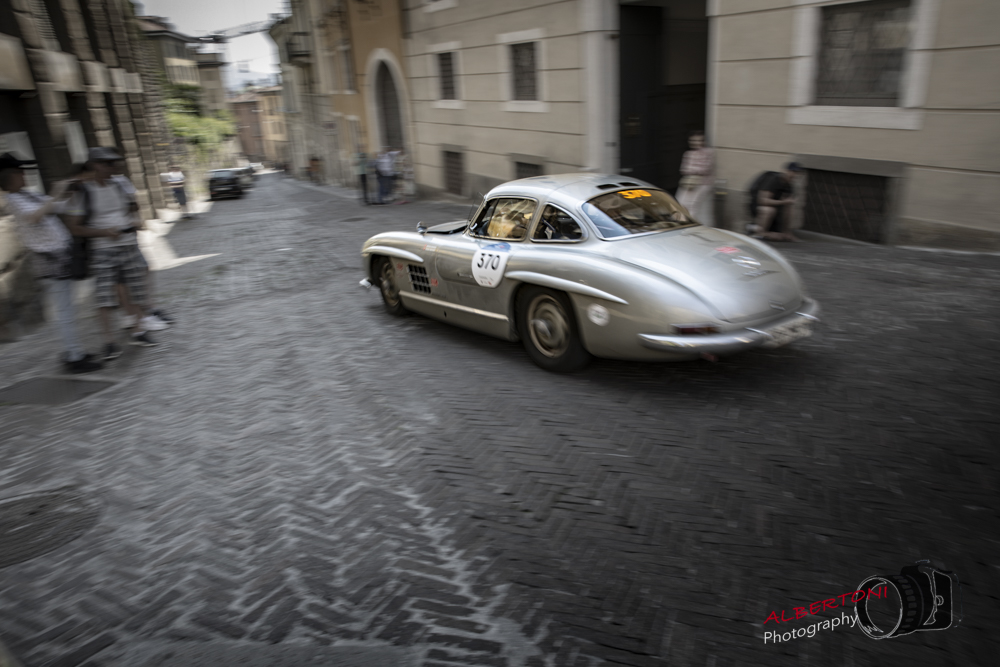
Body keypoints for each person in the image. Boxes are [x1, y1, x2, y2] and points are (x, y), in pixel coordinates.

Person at [1, 153, 103, 373]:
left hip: (60, 258)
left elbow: (58, 208)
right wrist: (56, 194)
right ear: (9, 176)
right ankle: (73, 357)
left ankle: (74, 351)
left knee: (68, 308)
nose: (24, 176)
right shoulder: (13, 200)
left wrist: (71, 194)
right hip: (51, 261)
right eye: (19, 172)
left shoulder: (27, 194)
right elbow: (35, 216)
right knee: (65, 310)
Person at [62, 147, 158, 360]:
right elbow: (74, 227)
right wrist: (103, 232)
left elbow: (130, 209)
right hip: (103, 249)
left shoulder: (119, 186)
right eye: (107, 163)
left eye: (114, 163)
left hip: (128, 244)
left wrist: (133, 221)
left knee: (137, 290)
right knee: (104, 297)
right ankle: (109, 342)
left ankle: (138, 331)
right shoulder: (82, 192)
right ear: (94, 165)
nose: (113, 167)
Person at [109, 154, 172, 331]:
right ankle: (134, 315)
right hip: (113, 238)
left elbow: (134, 204)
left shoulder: (120, 181)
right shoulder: (96, 186)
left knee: (143, 269)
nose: (116, 167)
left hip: (128, 233)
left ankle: (146, 308)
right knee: (123, 280)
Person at [748, 162, 803, 242]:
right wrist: (783, 202)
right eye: (793, 172)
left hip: (776, 210)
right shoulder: (773, 179)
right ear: (785, 171)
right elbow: (762, 200)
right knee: (769, 210)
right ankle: (759, 233)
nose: (794, 175)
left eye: (797, 173)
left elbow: (787, 203)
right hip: (758, 207)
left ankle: (786, 232)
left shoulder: (788, 185)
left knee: (790, 208)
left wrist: (786, 202)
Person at [676, 130, 715, 226]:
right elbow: (683, 169)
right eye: (693, 140)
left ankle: (690, 225)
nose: (696, 143)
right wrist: (694, 170)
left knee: (693, 205)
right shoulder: (688, 153)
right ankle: (682, 223)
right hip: (689, 182)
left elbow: (706, 168)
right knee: (680, 202)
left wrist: (692, 170)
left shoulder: (708, 152)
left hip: (702, 183)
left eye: (699, 140)